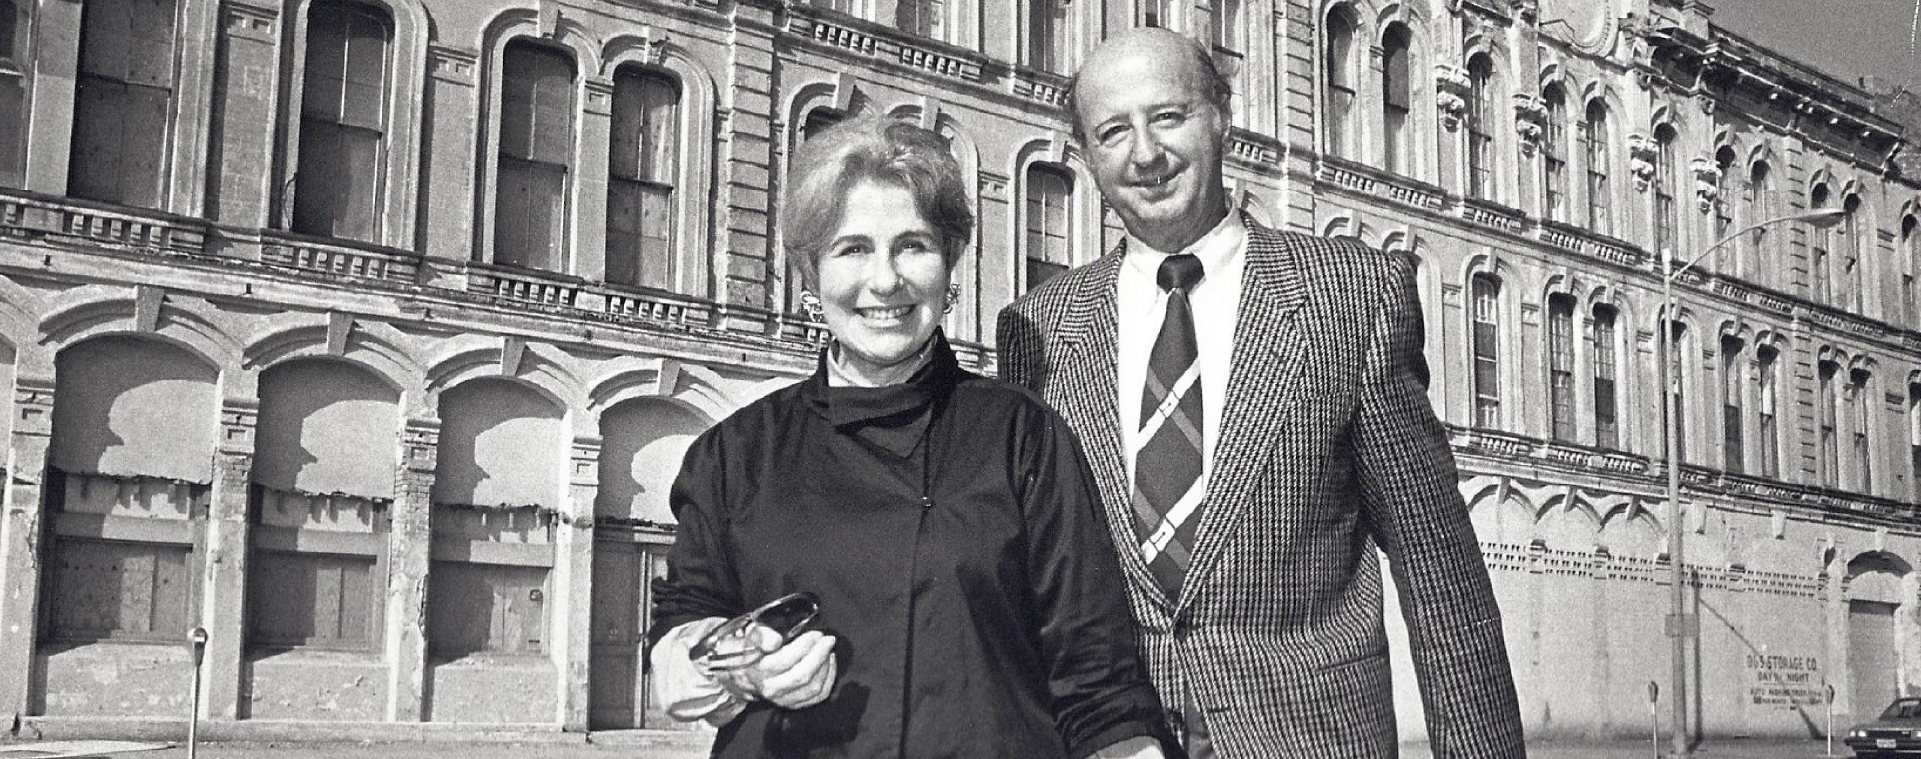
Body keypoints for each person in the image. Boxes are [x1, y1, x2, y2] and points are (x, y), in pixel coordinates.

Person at [997, 28, 1527, 759]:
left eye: (1168, 116)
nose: (1144, 153)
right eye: (1112, 131)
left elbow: (1441, 576)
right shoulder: (1040, 326)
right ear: (1087, 159)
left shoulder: (1351, 296)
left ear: (1222, 115)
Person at [648, 113, 1180, 759]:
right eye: (852, 249)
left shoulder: (1022, 435)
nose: (884, 280)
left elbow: (1096, 680)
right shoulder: (735, 452)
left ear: (950, 262)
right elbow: (680, 639)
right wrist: (737, 666)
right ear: (810, 276)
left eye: (912, 245)